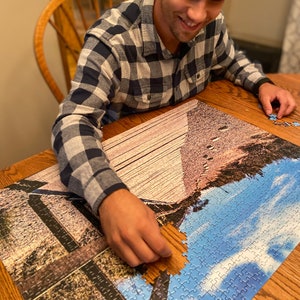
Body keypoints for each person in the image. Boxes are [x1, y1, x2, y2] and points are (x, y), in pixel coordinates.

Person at [52, 0, 296, 267]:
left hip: (182, 149)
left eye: (213, 1)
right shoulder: (110, 40)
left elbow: (231, 60)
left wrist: (261, 83)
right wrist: (109, 196)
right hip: (126, 171)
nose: (197, 15)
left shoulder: (211, 25)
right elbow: (73, 121)